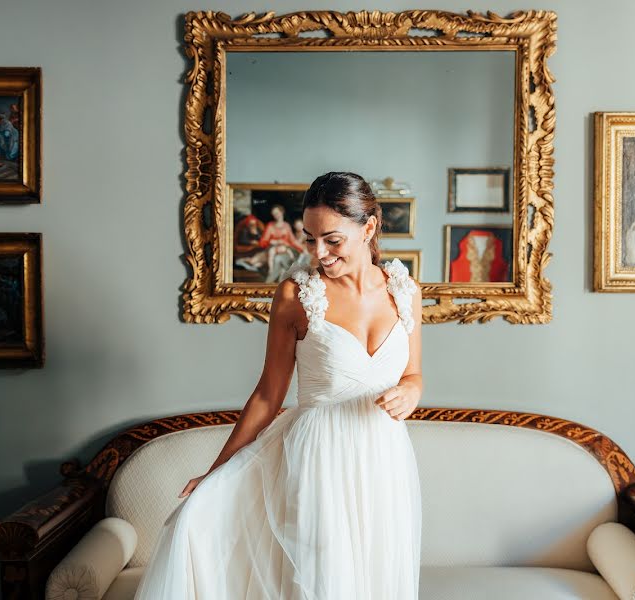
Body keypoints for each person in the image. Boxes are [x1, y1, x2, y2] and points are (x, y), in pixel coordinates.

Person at [134, 171, 423, 600]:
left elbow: (414, 375)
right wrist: (216, 472)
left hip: (385, 460)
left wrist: (412, 393)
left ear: (369, 227)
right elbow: (268, 395)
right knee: (323, 583)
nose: (318, 252)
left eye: (332, 239)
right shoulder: (296, 296)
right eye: (309, 238)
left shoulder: (405, 291)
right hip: (318, 459)